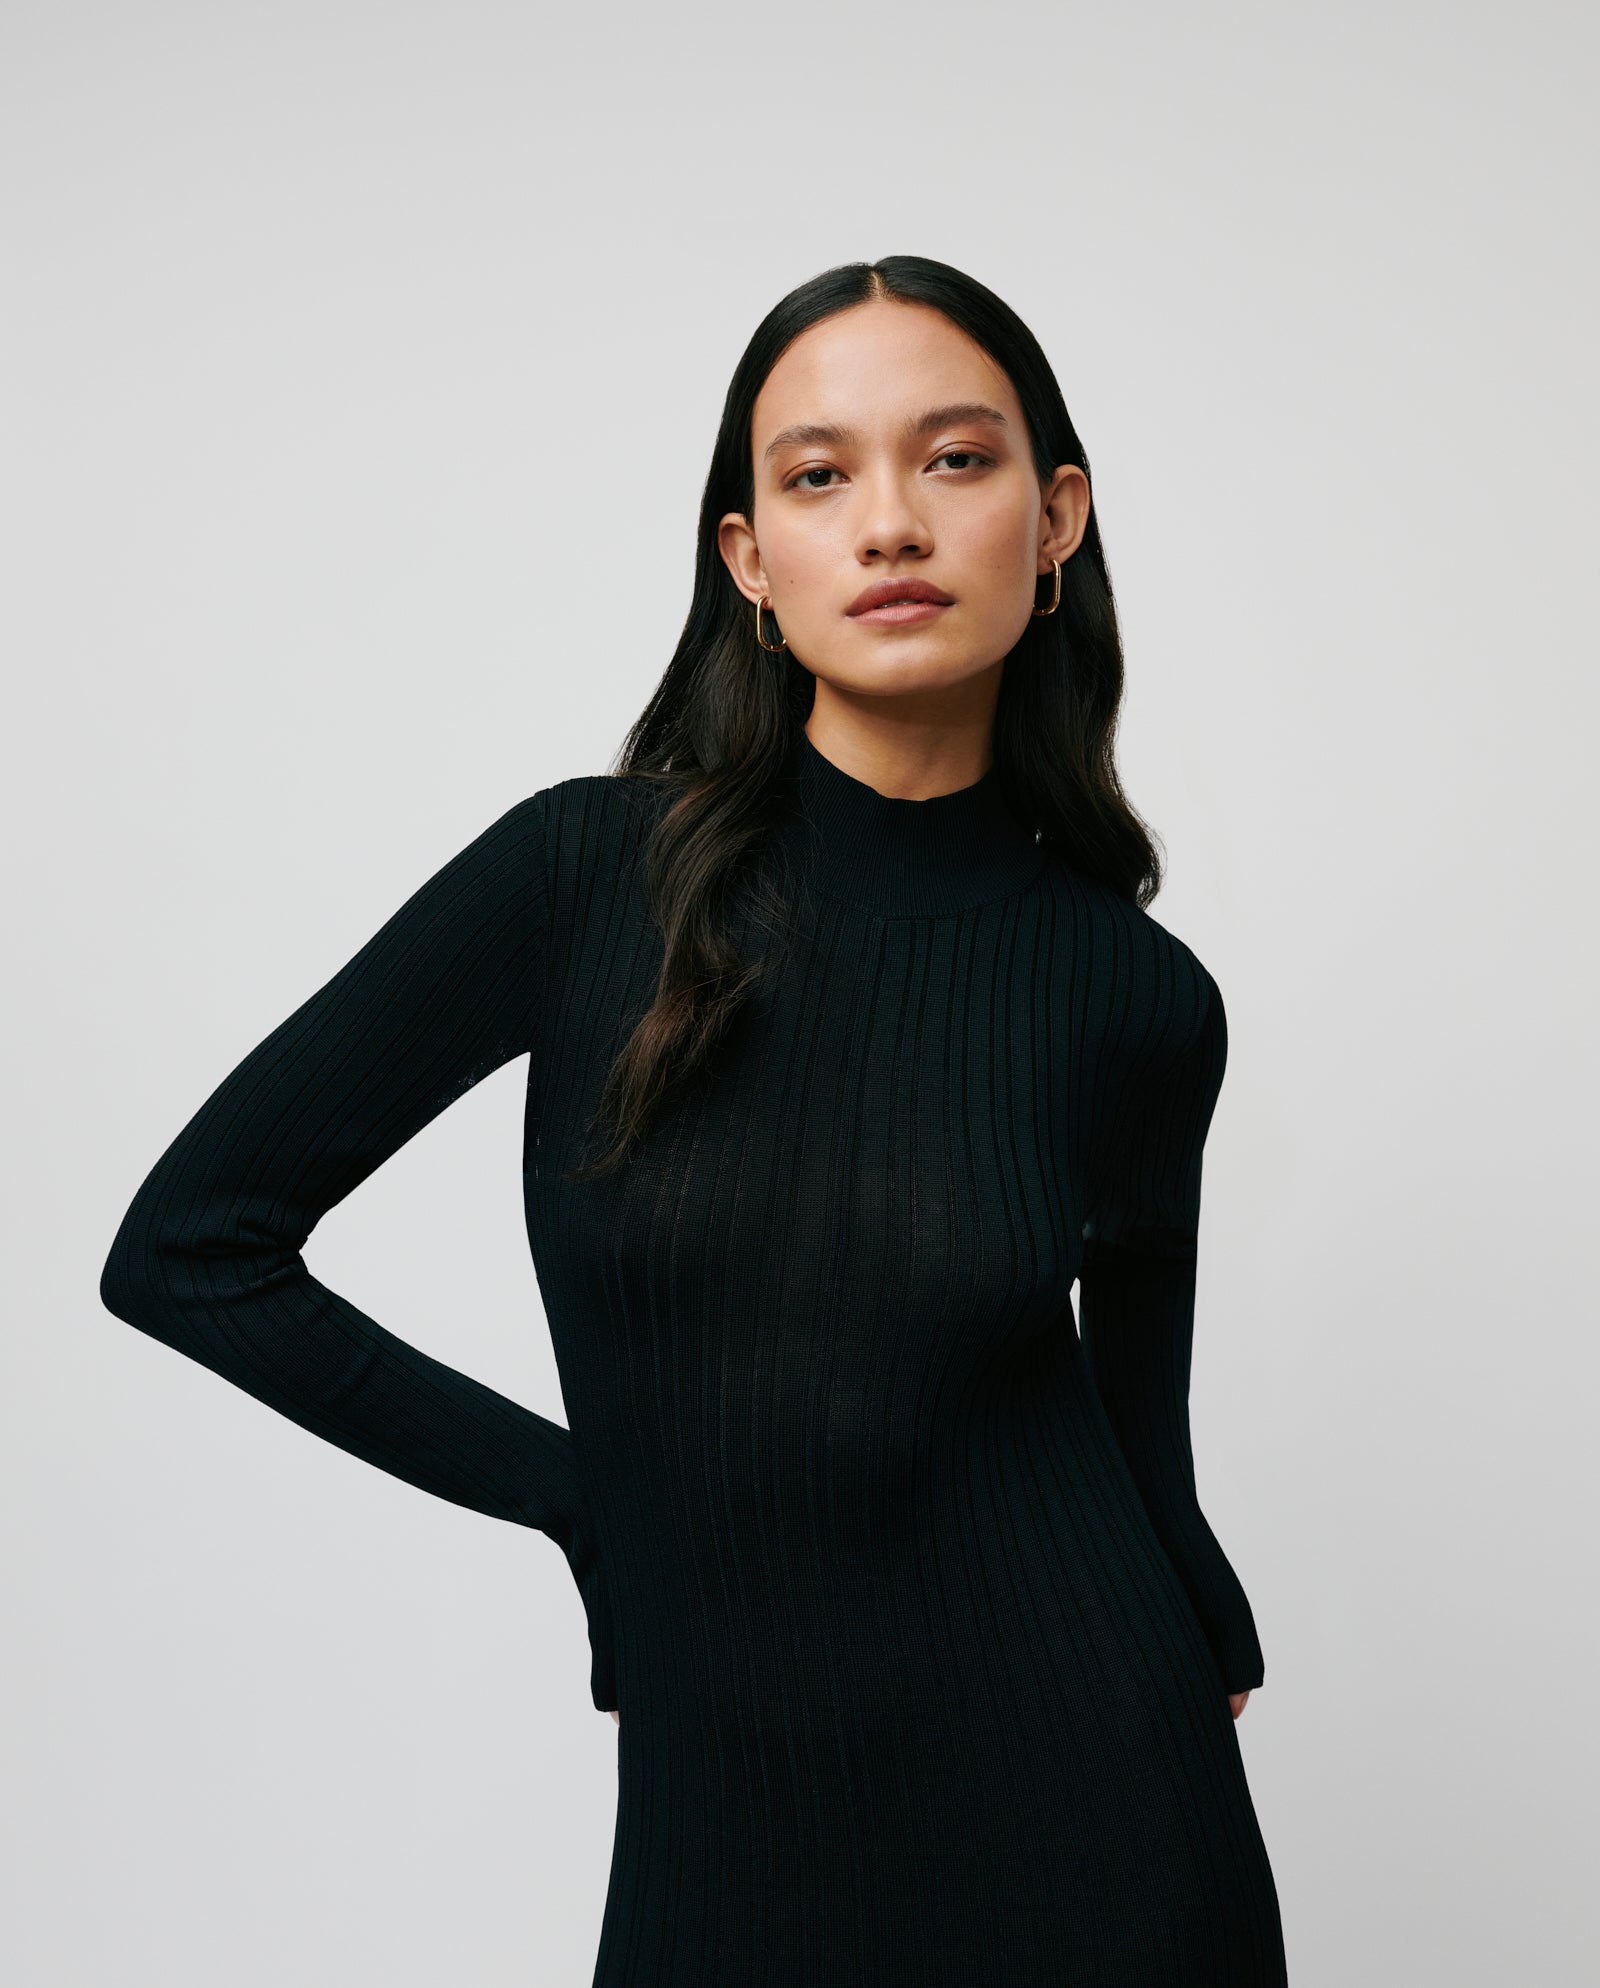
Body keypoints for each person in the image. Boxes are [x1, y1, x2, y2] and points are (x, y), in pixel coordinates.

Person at [101, 253, 1288, 1985]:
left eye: (955, 460)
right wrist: (586, 1502)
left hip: (1098, 1811)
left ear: (1055, 521)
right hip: (728, 1811)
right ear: (750, 558)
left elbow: (1135, 1433)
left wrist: (1194, 1597)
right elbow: (188, 1251)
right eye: (820, 475)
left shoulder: (1137, 996)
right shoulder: (582, 878)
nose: (890, 522)